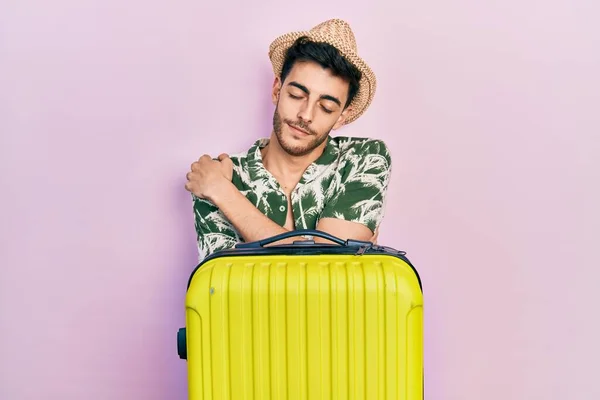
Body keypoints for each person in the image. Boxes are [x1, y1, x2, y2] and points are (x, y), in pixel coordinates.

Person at [185, 18, 393, 261]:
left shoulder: (363, 159)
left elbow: (329, 264)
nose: (306, 115)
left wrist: (225, 194)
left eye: (326, 107)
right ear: (277, 90)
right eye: (296, 95)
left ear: (342, 117)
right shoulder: (219, 172)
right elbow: (224, 287)